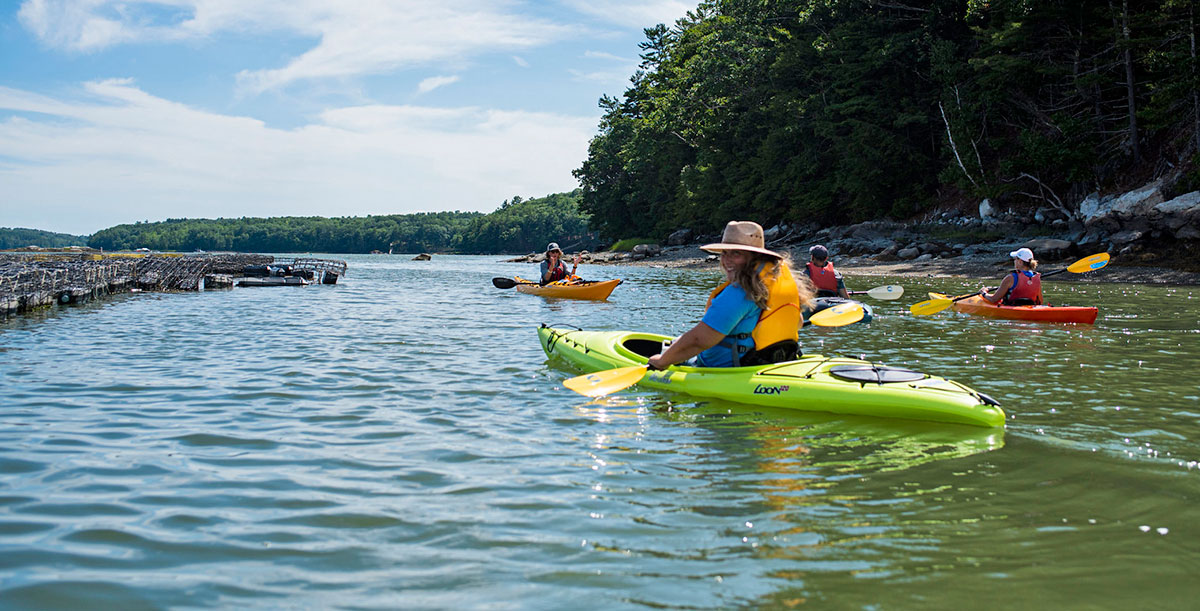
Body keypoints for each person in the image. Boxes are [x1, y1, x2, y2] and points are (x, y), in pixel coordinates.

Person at [648, 221, 815, 370]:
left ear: (754, 257)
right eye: (725, 253)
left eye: (736, 254)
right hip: (772, 364)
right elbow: (798, 322)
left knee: (667, 358)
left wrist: (662, 361)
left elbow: (698, 340)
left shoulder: (740, 292)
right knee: (678, 342)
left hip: (729, 370)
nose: (726, 260)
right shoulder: (774, 284)